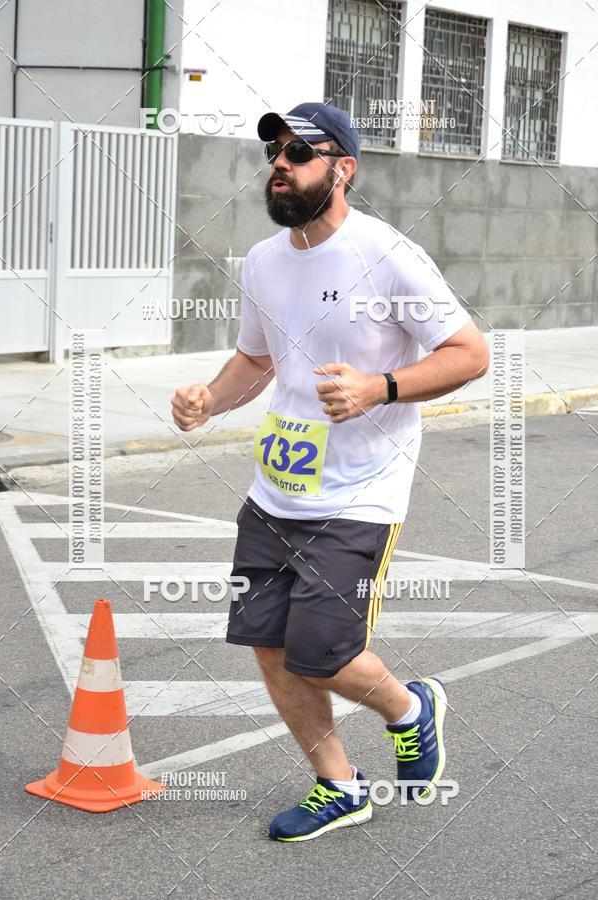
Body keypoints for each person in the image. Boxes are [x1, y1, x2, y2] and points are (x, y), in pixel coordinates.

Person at [171, 102, 489, 842]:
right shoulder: (262, 260)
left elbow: (469, 353)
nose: (281, 164)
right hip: (274, 490)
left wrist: (381, 388)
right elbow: (257, 359)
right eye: (275, 152)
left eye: (301, 153)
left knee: (323, 653)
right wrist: (208, 402)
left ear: (343, 169)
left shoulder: (389, 256)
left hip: (360, 492)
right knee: (271, 646)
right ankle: (339, 785)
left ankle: (409, 708)